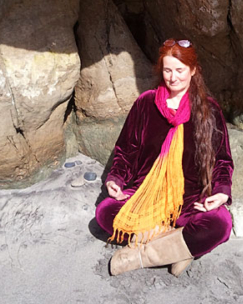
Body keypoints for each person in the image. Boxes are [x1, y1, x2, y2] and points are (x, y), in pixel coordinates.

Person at [95, 39, 233, 277]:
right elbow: (126, 149)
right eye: (168, 70)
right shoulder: (145, 103)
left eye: (180, 70)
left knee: (221, 224)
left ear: (193, 70)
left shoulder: (209, 110)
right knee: (105, 213)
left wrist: (220, 192)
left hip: (191, 198)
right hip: (145, 194)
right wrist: (115, 179)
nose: (173, 77)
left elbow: (222, 159)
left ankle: (140, 255)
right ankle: (180, 249)